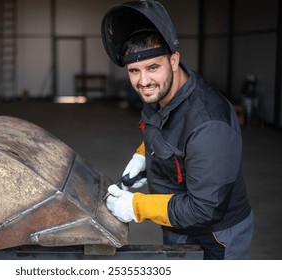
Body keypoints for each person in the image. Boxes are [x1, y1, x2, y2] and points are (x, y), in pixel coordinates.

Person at [101, 0, 254, 260]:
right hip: (177, 223)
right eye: (134, 71)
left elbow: (204, 208)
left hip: (217, 235)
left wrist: (137, 206)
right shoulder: (158, 96)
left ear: (174, 60)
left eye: (153, 67)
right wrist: (143, 157)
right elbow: (159, 131)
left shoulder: (208, 124)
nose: (143, 81)